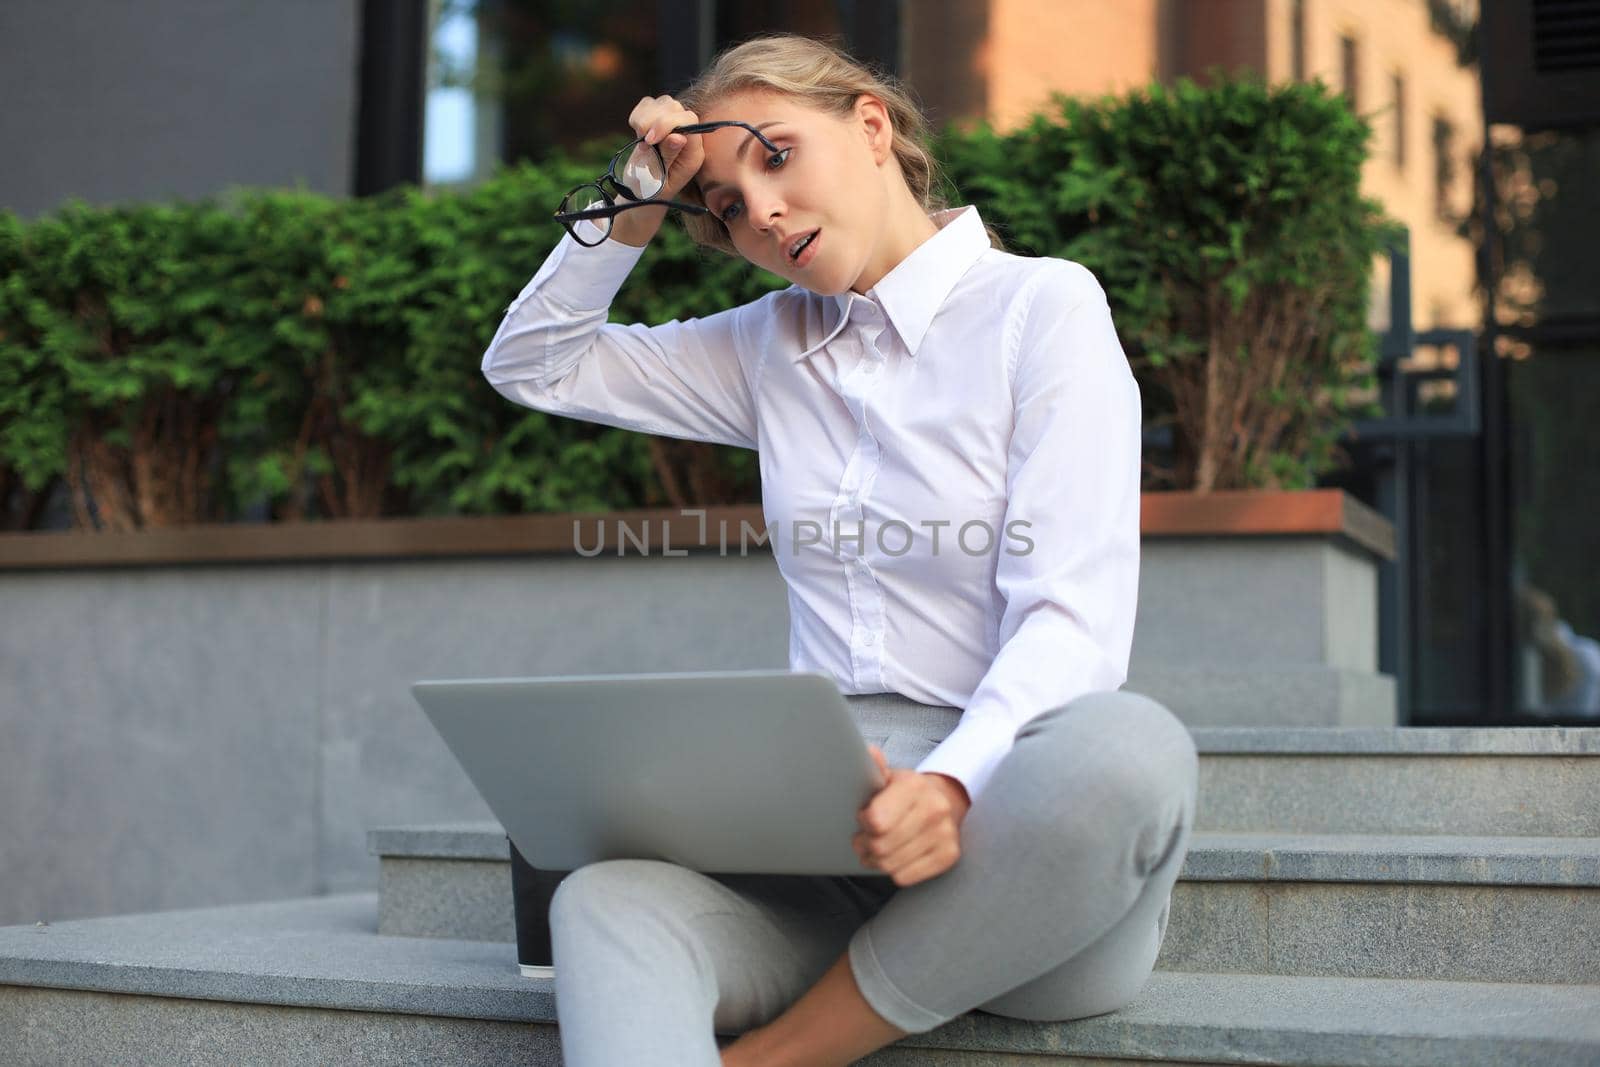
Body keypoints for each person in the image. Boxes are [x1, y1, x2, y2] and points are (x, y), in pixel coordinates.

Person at [480, 32, 1198, 1067]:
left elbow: (1071, 619)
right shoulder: (765, 343)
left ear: (871, 126)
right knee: (604, 900)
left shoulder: (1041, 307)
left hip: (1022, 859)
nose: (759, 212)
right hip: (826, 850)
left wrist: (947, 786)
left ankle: (782, 1054)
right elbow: (533, 364)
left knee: (1128, 749)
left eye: (774, 155)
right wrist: (638, 200)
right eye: (724, 203)